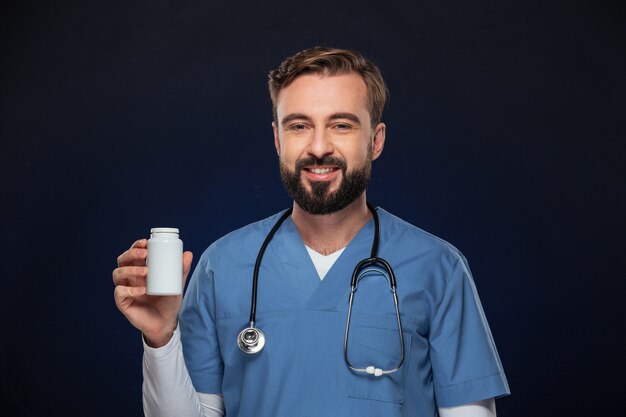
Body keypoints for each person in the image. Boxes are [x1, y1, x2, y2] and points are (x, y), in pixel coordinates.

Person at [113, 46, 510, 417]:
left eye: (341, 125)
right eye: (300, 126)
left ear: (376, 141)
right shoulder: (222, 266)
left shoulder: (438, 268)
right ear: (277, 139)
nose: (319, 147)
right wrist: (162, 339)